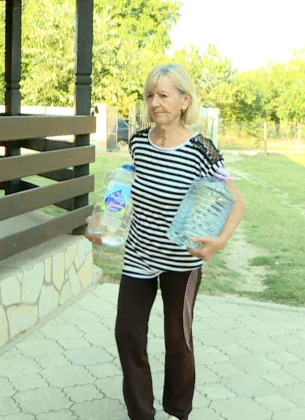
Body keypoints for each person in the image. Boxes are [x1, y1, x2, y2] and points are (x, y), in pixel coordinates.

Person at [84, 63, 246, 420]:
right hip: (139, 254)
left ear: (185, 100)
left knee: (178, 339)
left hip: (182, 262)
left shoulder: (202, 149)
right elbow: (128, 191)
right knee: (127, 333)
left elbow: (237, 201)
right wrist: (103, 222)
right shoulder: (139, 142)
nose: (155, 103)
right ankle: (141, 413)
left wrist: (218, 242)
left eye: (163, 95)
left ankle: (177, 410)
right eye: (149, 96)